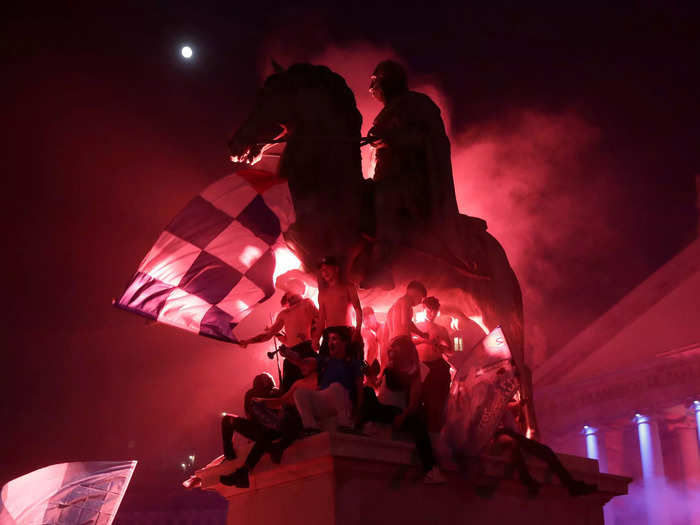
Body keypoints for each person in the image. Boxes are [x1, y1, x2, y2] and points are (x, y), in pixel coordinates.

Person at [367, 60, 459, 271]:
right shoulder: (386, 112)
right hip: (386, 178)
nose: (371, 89)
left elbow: (430, 139)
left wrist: (391, 139)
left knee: (386, 196)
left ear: (389, 82)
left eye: (375, 81)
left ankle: (383, 262)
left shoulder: (418, 105)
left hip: (414, 182)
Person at [355, 336, 445, 484]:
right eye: (390, 346)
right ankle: (366, 424)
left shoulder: (415, 371)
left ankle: (431, 469)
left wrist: (404, 416)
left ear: (405, 350)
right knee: (367, 392)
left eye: (394, 346)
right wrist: (370, 377)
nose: (390, 349)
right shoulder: (388, 367)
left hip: (398, 412)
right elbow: (380, 388)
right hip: (384, 410)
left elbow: (415, 401)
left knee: (418, 425)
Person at [219, 373, 303, 488]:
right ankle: (230, 455)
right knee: (227, 420)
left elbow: (281, 415)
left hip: (272, 429)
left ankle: (241, 470)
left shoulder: (275, 393)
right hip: (260, 429)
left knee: (262, 437)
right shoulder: (254, 394)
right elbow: (249, 415)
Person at [235, 285, 319, 393]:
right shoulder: (284, 314)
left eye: (290, 291)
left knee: (312, 386)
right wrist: (248, 341)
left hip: (306, 349)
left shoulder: (307, 303)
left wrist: (315, 337)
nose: (289, 293)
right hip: (291, 354)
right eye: (288, 292)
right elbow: (268, 335)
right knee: (290, 391)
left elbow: (320, 320)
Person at [291, 326, 364, 433]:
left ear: (345, 343)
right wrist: (288, 353)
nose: (330, 342)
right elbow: (303, 362)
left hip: (343, 400)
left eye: (334, 339)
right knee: (299, 393)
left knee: (336, 387)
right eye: (329, 339)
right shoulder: (325, 361)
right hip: (325, 400)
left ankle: (345, 425)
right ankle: (311, 428)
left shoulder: (353, 363)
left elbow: (359, 390)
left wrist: (358, 412)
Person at [415, 296, 453, 433]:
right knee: (418, 399)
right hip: (420, 366)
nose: (432, 314)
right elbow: (407, 341)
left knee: (436, 402)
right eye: (429, 311)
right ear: (424, 309)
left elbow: (451, 351)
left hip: (436, 367)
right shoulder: (416, 326)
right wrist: (424, 341)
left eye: (435, 312)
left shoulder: (441, 329)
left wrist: (441, 346)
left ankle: (435, 430)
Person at [315, 256, 363, 360]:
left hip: (346, 332)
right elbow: (321, 318)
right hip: (329, 333)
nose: (324, 272)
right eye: (322, 270)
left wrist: (358, 330)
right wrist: (316, 337)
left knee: (349, 367)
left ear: (336, 269)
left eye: (327, 268)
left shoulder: (348, 287)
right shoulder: (322, 294)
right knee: (326, 369)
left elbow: (358, 309)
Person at [381, 281, 429, 365]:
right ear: (415, 292)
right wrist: (421, 334)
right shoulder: (406, 302)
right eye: (420, 298)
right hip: (402, 344)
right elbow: (406, 322)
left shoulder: (393, 307)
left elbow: (386, 333)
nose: (419, 301)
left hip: (393, 345)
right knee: (412, 372)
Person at [360, 306, 382, 384]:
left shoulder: (383, 329)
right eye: (363, 320)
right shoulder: (364, 331)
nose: (364, 322)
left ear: (372, 316)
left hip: (381, 368)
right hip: (372, 367)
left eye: (367, 319)